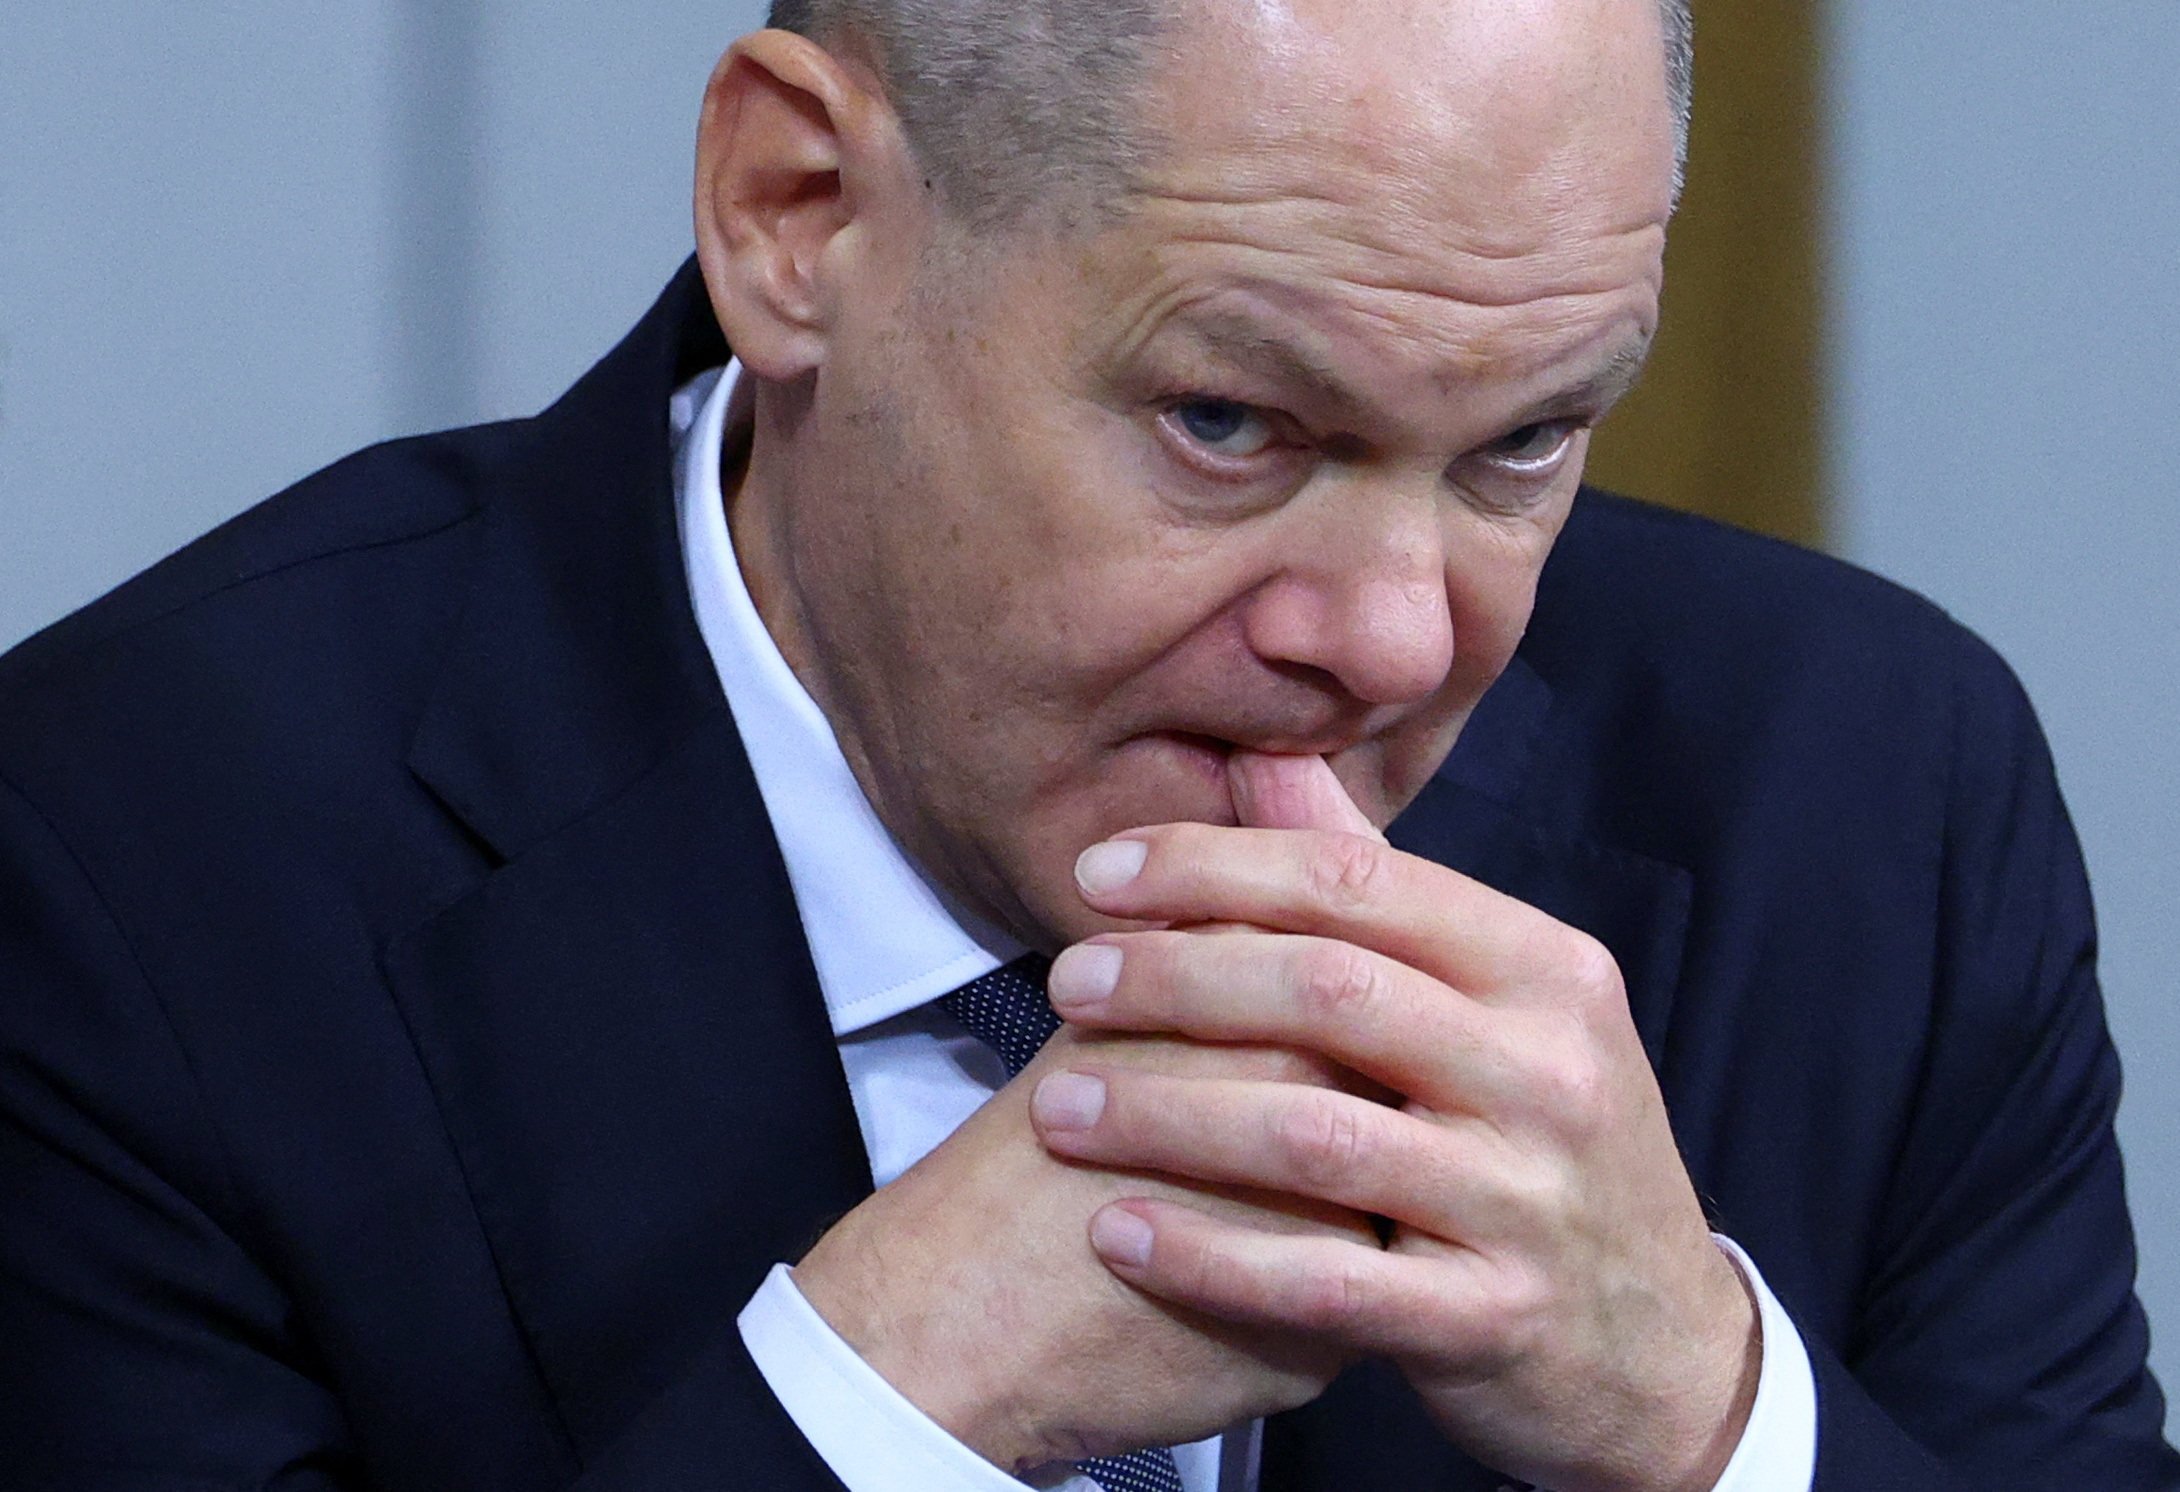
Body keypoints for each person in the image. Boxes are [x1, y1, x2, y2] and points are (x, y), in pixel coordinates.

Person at [0, 1, 2172, 1489]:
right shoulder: (127, 866)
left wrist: (1701, 1412)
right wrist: (871, 1414)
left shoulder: (1864, 791)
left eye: (1522, 442)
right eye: (1230, 424)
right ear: (798, 218)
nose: (1397, 636)